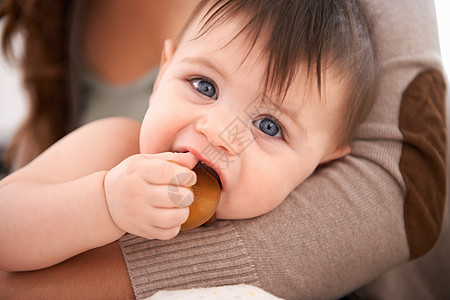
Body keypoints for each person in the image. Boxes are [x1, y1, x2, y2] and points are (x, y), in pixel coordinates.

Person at [0, 0, 447, 299]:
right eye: (203, 85)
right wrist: (103, 203)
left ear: (323, 163)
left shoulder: (303, 238)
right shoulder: (114, 149)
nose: (218, 131)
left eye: (269, 126)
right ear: (162, 74)